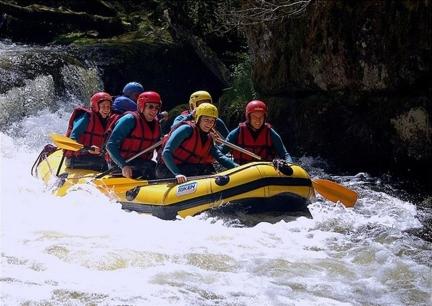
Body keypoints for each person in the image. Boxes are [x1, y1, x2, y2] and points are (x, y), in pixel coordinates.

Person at [157, 103, 238, 184]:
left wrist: (238, 167)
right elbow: (166, 152)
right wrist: (177, 174)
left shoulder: (209, 138)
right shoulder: (186, 129)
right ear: (198, 119)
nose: (209, 124)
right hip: (166, 169)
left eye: (212, 121)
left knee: (208, 168)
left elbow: (220, 157)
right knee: (194, 169)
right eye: (206, 120)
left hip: (188, 168)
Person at [106, 91, 162, 179]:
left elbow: (159, 148)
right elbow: (110, 145)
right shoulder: (129, 120)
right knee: (149, 169)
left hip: (142, 163)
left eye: (157, 107)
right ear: (141, 106)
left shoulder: (156, 124)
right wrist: (123, 165)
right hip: (119, 163)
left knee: (158, 168)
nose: (154, 110)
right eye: (150, 106)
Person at [220, 100, 293, 165]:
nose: (258, 120)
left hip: (265, 169)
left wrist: (290, 165)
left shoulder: (270, 132)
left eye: (261, 117)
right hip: (242, 170)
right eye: (254, 117)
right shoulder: (238, 132)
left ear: (265, 118)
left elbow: (285, 154)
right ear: (248, 117)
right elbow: (221, 152)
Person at [65, 92, 112, 171]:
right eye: (103, 106)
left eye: (108, 107)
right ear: (95, 106)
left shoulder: (107, 121)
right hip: (75, 158)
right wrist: (87, 149)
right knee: (105, 165)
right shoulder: (86, 118)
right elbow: (73, 138)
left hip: (93, 158)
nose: (106, 109)